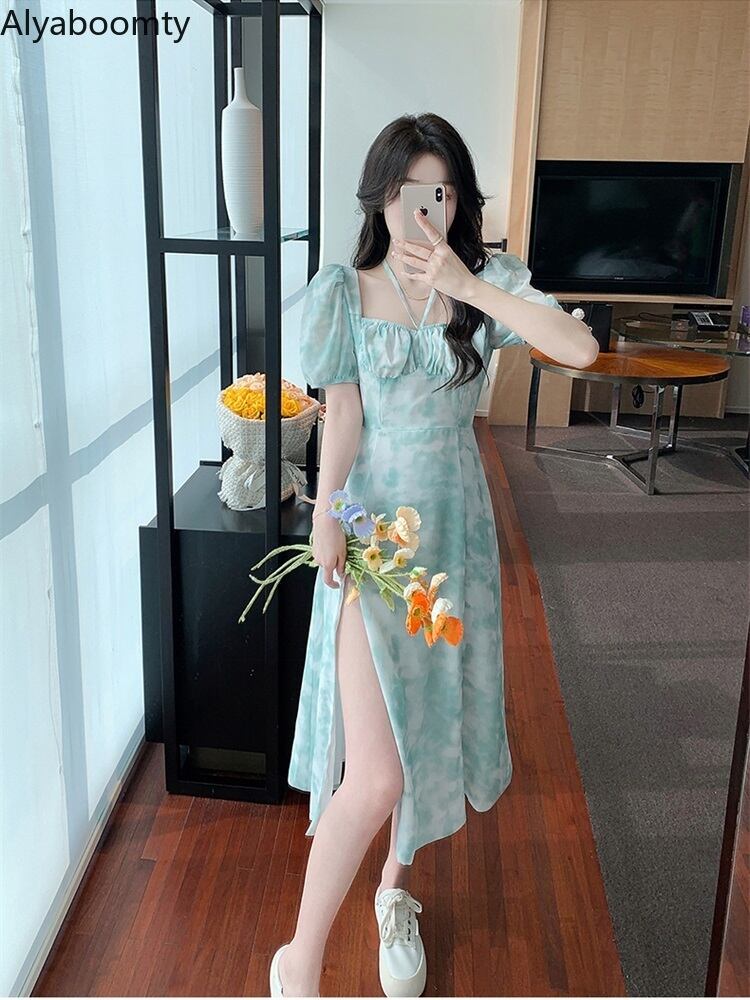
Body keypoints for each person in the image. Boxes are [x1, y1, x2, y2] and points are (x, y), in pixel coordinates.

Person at [270, 113, 597, 999]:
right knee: (374, 772)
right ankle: (298, 961)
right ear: (381, 197)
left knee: (421, 734)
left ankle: (393, 892)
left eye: (441, 192)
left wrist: (468, 284)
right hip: (376, 543)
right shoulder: (343, 290)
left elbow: (579, 347)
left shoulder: (486, 286)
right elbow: (343, 416)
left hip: (453, 542)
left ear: (459, 200)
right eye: (408, 191)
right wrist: (327, 516)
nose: (424, 209)